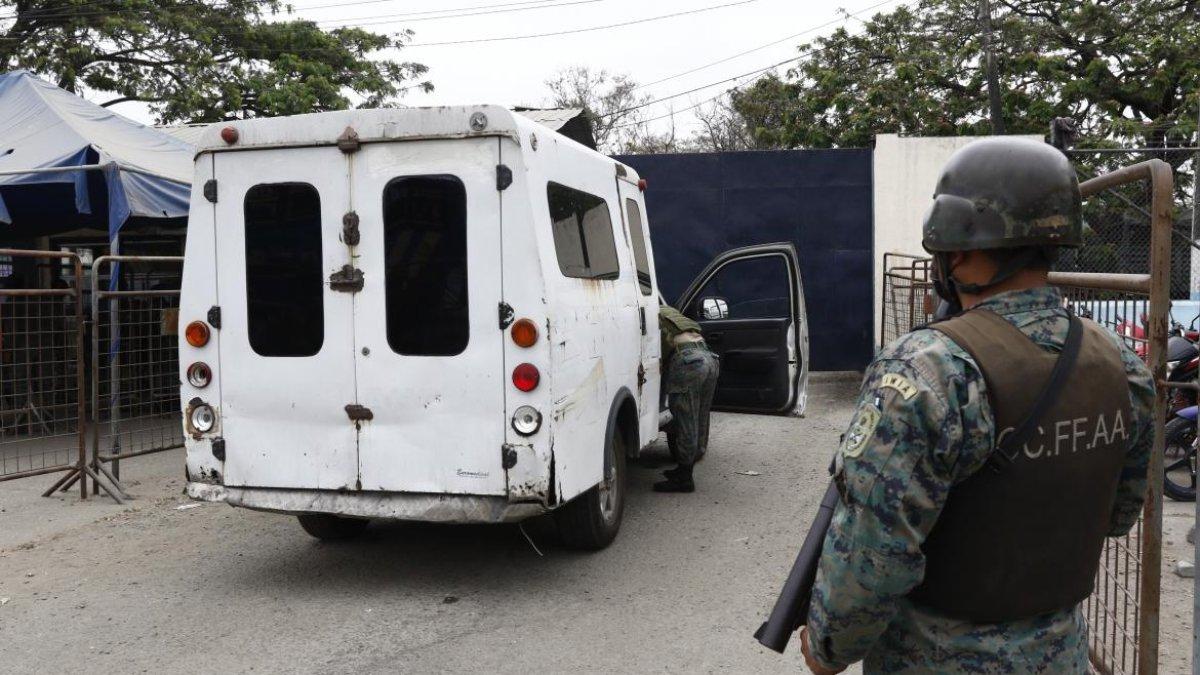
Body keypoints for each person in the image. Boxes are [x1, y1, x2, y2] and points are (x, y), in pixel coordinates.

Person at [799, 138, 1156, 674]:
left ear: (957, 250)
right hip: (1061, 654)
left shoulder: (929, 367)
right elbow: (1119, 513)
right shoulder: (1121, 363)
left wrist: (830, 648)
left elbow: (874, 549)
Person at [655, 301, 720, 493]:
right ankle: (685, 467)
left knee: (685, 418)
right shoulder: (669, 312)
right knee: (700, 415)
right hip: (709, 357)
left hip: (689, 362)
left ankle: (684, 479)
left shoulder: (648, 314)